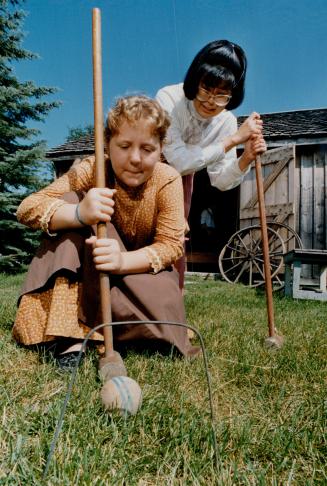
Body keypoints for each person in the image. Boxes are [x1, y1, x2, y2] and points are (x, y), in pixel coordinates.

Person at [13, 95, 199, 370]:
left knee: (164, 303)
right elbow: (27, 208)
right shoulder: (93, 169)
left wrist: (123, 261)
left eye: (147, 148)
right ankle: (70, 337)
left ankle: (115, 330)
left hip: (140, 277)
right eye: (124, 146)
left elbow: (171, 246)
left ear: (160, 150)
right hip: (93, 271)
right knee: (70, 202)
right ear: (107, 146)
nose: (135, 158)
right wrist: (79, 214)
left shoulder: (167, 179)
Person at [156, 40, 267, 285]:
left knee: (173, 241)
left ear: (233, 94)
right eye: (206, 89)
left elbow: (221, 181)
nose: (210, 101)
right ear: (195, 80)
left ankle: (169, 308)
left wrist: (246, 156)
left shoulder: (226, 122)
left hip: (181, 184)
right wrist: (234, 139)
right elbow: (178, 161)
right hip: (150, 173)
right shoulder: (169, 98)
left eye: (221, 95)